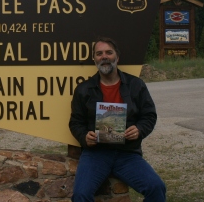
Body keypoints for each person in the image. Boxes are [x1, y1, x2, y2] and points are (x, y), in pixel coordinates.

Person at [69, 36, 166, 202]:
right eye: (99, 54)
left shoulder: (136, 85)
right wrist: (84, 137)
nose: (104, 56)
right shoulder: (84, 89)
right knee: (80, 196)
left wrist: (139, 130)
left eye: (108, 52)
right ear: (94, 59)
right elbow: (75, 122)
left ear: (117, 57)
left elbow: (149, 115)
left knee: (156, 188)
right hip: (96, 154)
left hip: (127, 153)